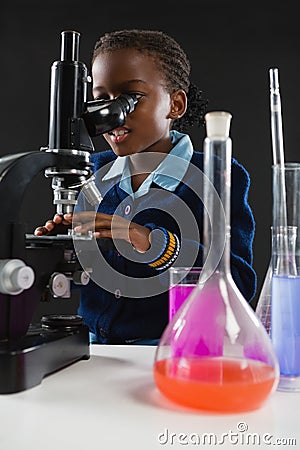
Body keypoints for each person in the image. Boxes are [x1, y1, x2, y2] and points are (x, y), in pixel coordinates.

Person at [35, 29, 257, 345]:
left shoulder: (215, 176)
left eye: (130, 98)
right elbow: (86, 278)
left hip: (171, 349)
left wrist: (150, 241)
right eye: (100, 101)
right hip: (94, 349)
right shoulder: (92, 171)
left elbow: (240, 285)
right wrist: (57, 255)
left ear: (175, 104)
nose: (110, 115)